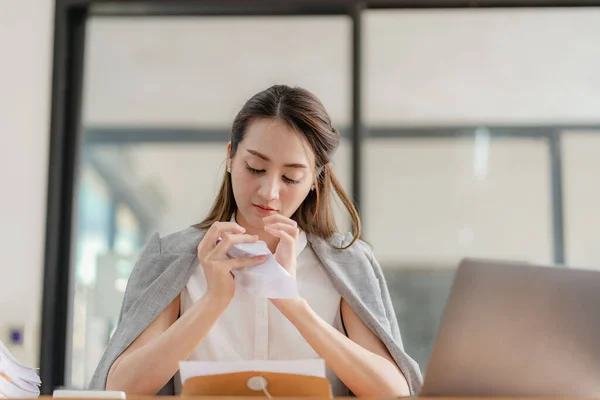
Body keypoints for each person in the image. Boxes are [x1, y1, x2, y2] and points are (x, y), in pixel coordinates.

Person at [89, 85, 422, 397]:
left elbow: (394, 391)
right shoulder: (173, 257)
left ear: (315, 181)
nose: (269, 192)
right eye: (255, 168)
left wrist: (290, 302)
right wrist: (213, 300)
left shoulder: (346, 261)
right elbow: (120, 388)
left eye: (291, 177)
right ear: (231, 157)